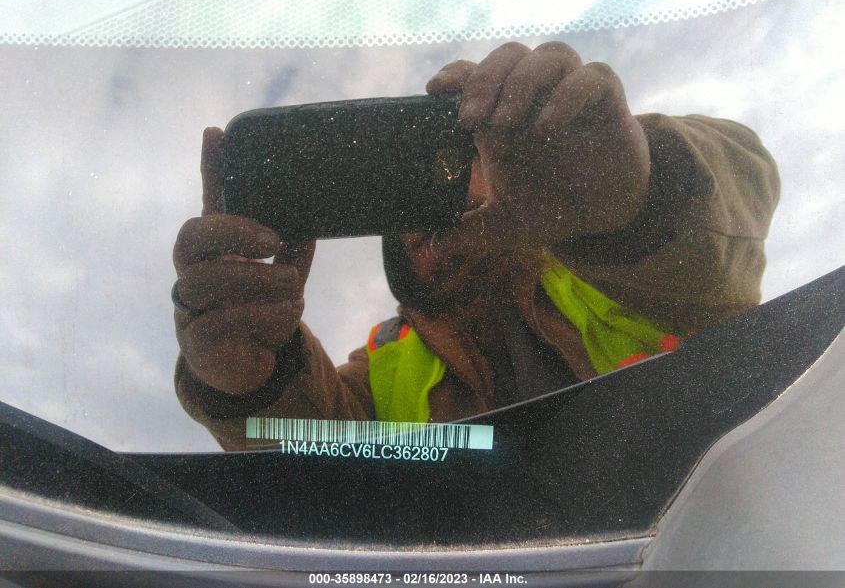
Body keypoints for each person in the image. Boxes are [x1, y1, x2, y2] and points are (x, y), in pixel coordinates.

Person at [172, 41, 780, 451]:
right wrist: (252, 384)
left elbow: (738, 202)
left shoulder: (604, 266)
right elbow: (315, 461)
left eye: (442, 190)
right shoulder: (384, 364)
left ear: (504, 171)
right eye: (401, 211)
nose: (422, 233)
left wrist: (637, 197)